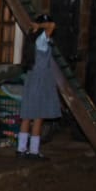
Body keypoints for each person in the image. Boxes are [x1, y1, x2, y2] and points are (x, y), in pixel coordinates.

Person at [18, 14, 60, 159]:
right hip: (40, 80)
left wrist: (37, 26)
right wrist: (40, 26)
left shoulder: (31, 39)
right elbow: (52, 25)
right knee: (38, 116)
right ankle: (34, 151)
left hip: (31, 78)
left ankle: (21, 149)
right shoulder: (41, 39)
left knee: (27, 115)